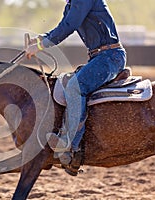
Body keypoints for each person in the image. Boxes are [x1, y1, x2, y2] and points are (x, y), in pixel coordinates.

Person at [26, 0, 126, 161]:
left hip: (109, 57)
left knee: (75, 87)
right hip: (101, 57)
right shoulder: (72, 4)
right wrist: (42, 38)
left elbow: (69, 26)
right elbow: (63, 25)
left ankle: (68, 142)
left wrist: (41, 45)